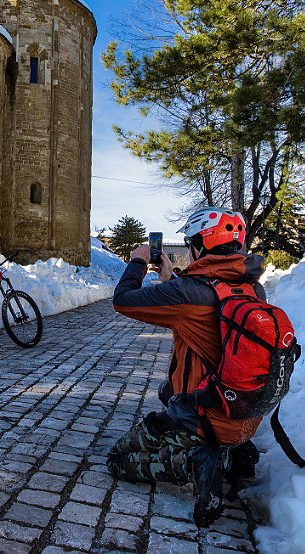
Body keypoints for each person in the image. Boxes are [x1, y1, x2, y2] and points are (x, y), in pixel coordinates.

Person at [108, 207, 266, 527]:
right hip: (242, 415)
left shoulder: (187, 294)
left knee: (118, 459)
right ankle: (234, 452)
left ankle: (195, 461)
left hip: (203, 419)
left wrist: (138, 259)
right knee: (167, 391)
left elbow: (123, 299)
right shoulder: (252, 289)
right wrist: (172, 279)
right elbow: (204, 309)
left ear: (199, 246)